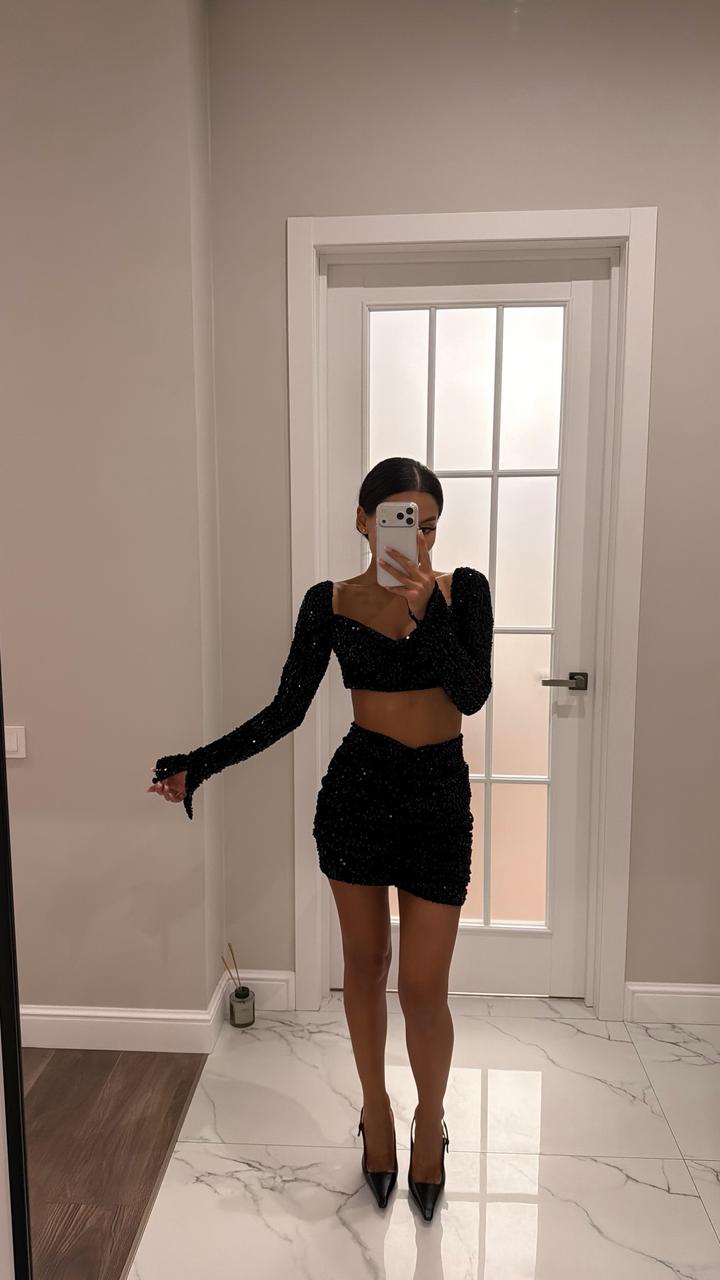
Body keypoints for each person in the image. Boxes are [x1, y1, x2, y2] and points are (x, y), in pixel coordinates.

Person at [148, 456, 494, 1220]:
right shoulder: (328, 602)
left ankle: (429, 1122)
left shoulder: (463, 591)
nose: (418, 539)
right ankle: (375, 1113)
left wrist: (426, 614)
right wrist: (199, 764)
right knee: (364, 967)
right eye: (402, 521)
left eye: (429, 526)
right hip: (357, 797)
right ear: (365, 522)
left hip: (438, 800)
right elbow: (287, 709)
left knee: (424, 986)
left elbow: (472, 692)